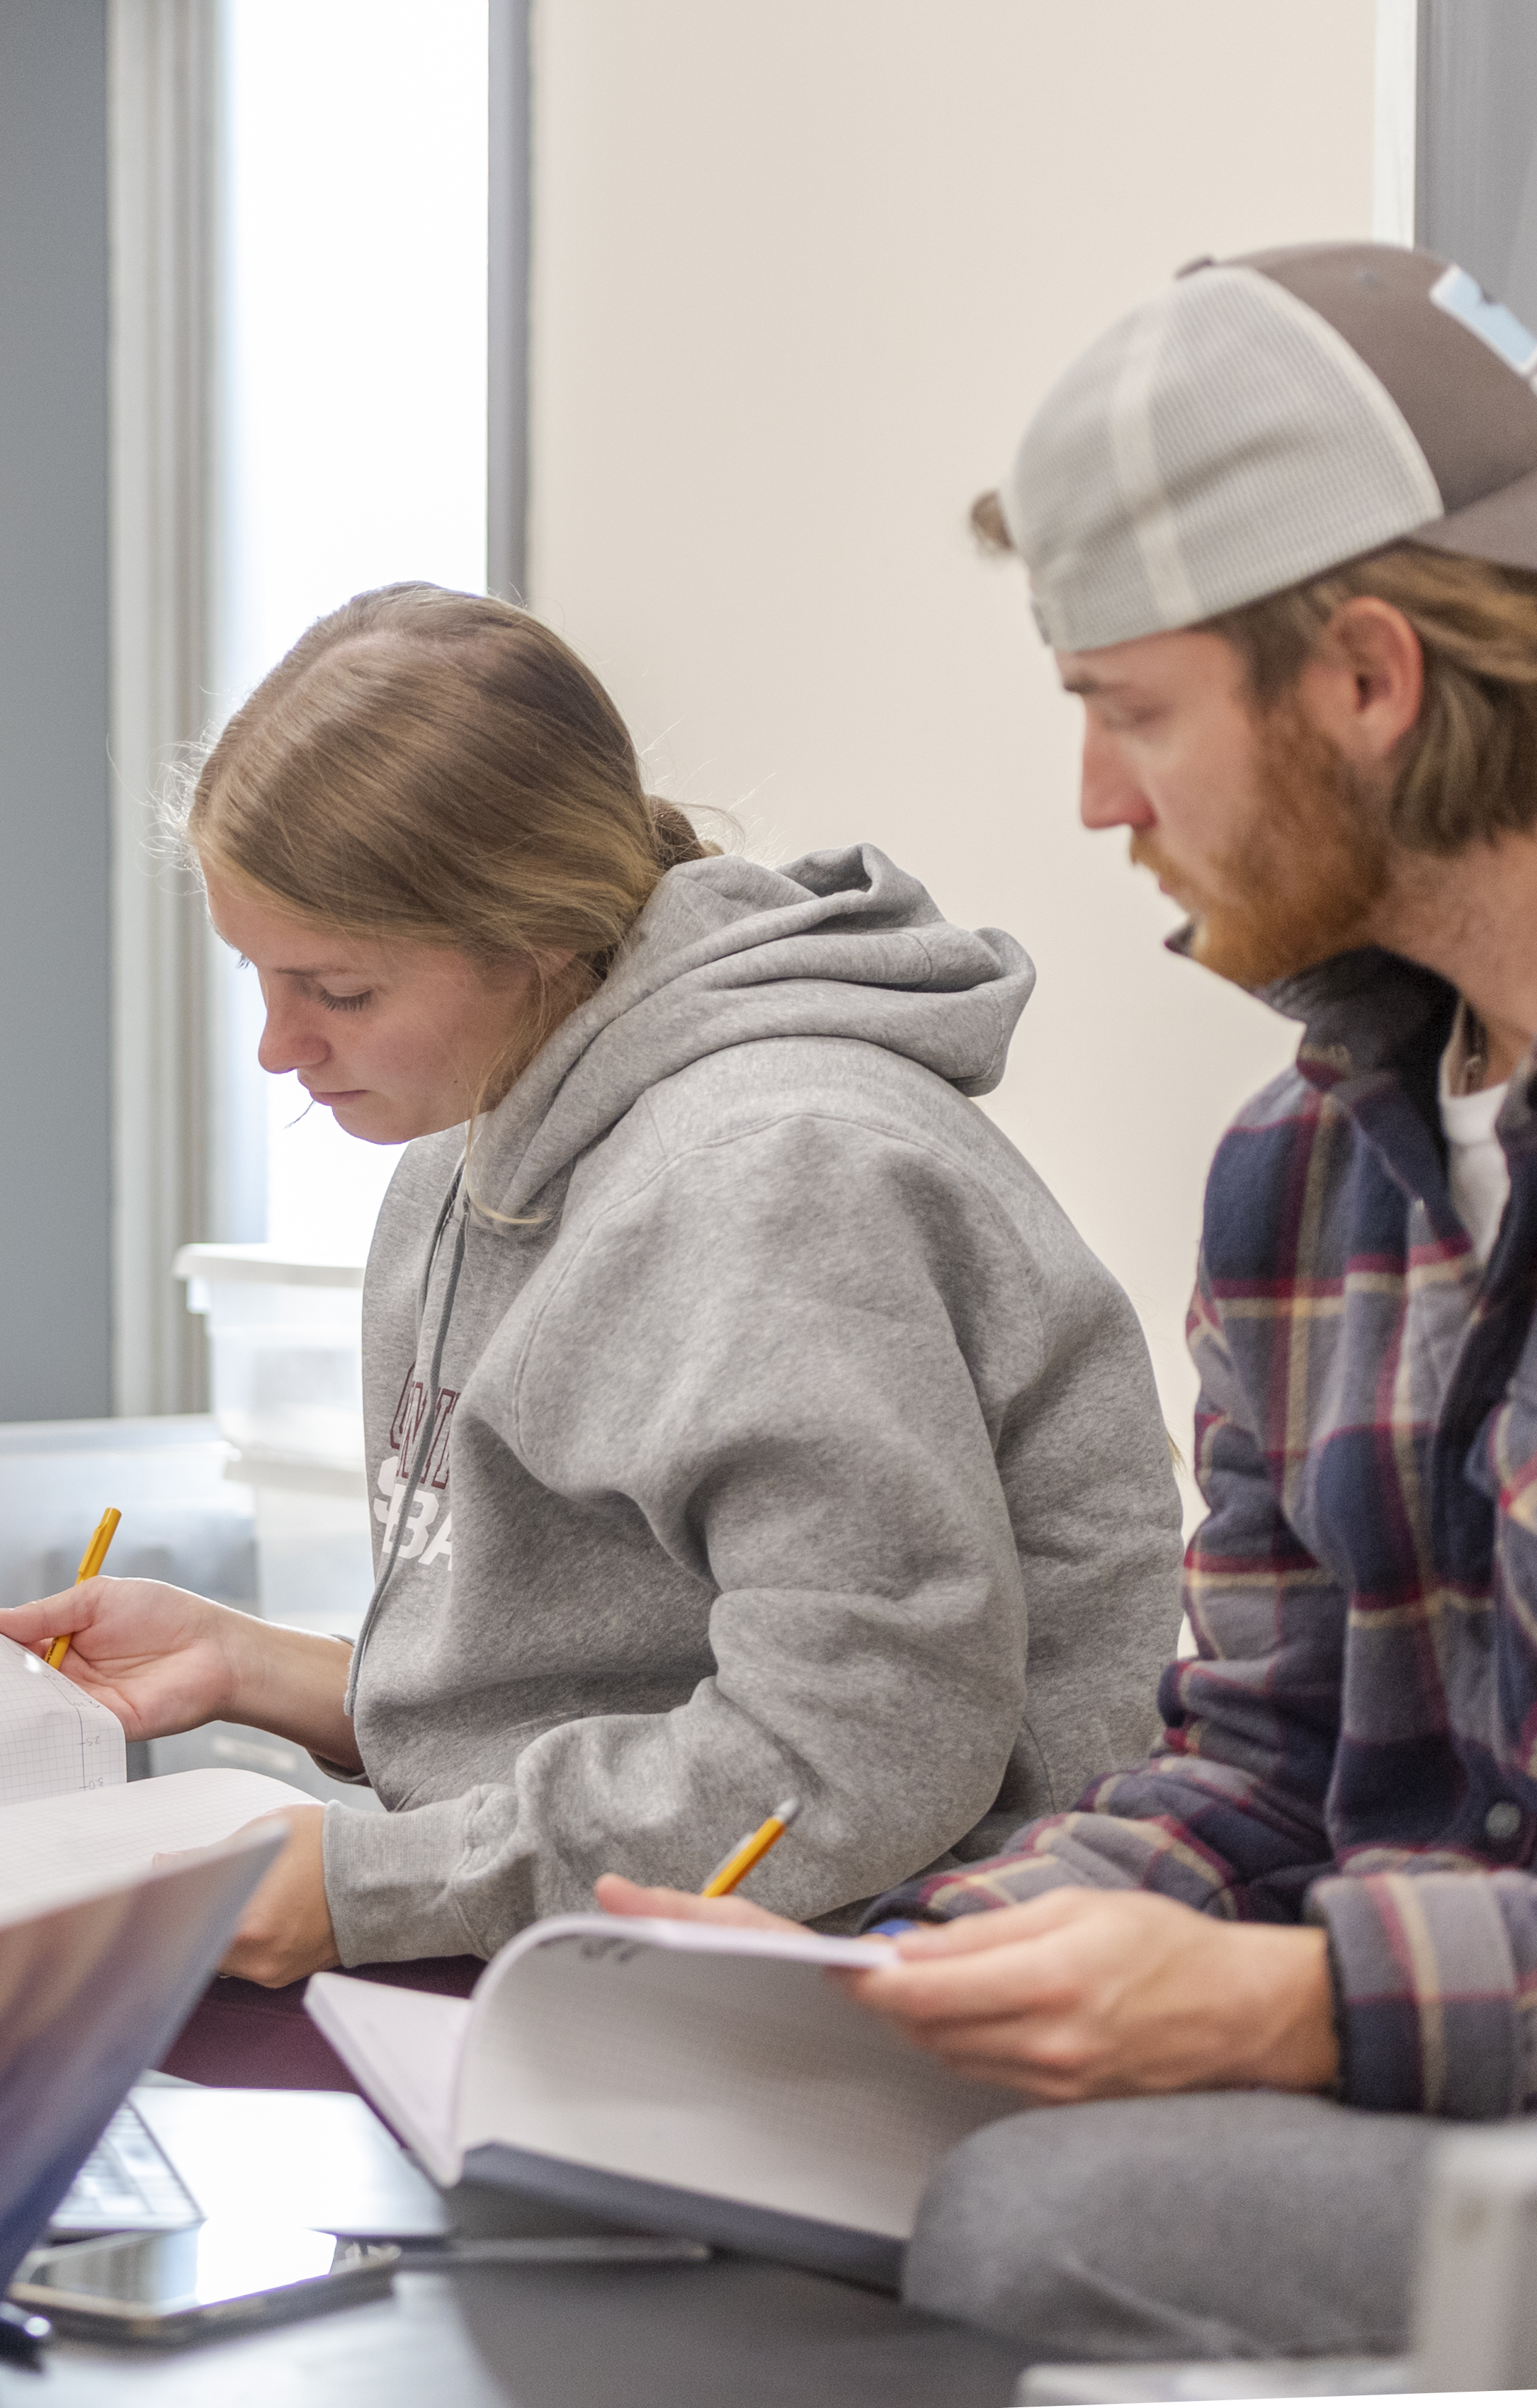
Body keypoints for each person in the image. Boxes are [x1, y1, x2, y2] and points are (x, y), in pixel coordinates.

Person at [603, 241, 1537, 2362]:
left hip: (1447, 2089)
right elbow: (1267, 1760)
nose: (1098, 804)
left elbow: (1301, 1937)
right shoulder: (1307, 1174)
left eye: (1127, 713)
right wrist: (905, 1974)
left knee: (1034, 2226)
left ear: (1368, 679)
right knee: (722, 2169)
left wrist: (1298, 2000)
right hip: (1419, 2087)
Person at [0, 585, 1180, 2023]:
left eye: (338, 989)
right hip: (630, 1947)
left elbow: (852, 1750)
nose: (277, 1045)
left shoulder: (764, 1181)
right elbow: (613, 1668)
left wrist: (377, 1886)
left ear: (533, 934)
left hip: (877, 1979)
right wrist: (257, 1666)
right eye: (259, 973)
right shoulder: (471, 1140)